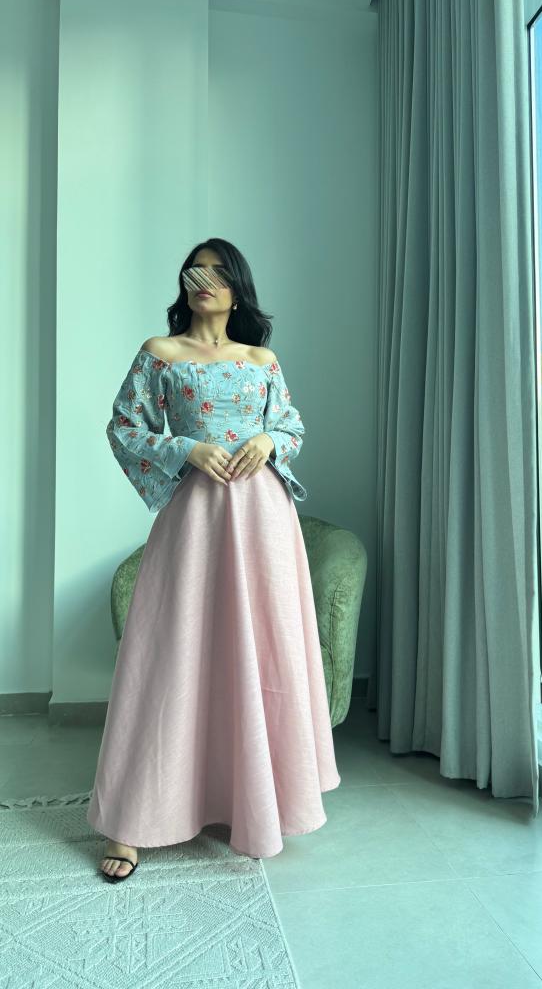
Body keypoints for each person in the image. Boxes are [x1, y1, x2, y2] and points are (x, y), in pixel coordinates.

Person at [87, 237, 341, 881]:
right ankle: (132, 821)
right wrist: (185, 450)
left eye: (218, 272)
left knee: (264, 651)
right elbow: (124, 427)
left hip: (264, 520)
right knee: (172, 652)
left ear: (237, 288)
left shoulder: (262, 359)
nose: (203, 280)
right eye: (194, 270)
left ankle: (249, 802)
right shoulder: (160, 352)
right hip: (196, 517)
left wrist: (268, 440)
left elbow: (292, 427)